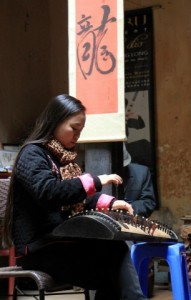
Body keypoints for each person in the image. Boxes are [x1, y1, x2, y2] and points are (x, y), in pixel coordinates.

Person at [3, 94, 146, 300]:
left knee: (113, 250)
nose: (77, 135)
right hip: (38, 248)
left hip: (60, 241)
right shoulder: (32, 154)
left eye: (80, 130)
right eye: (74, 128)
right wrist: (95, 181)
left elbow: (76, 197)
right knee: (111, 264)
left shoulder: (64, 160)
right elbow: (49, 192)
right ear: (55, 121)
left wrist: (111, 203)